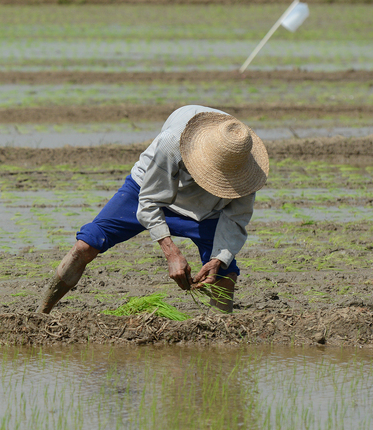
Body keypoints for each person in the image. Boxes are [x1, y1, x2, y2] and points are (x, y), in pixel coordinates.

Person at [38, 105, 269, 315]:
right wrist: (171, 253)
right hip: (151, 187)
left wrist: (219, 258)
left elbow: (236, 220)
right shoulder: (172, 143)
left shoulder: (246, 167)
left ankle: (221, 335)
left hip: (207, 209)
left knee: (223, 275)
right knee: (85, 246)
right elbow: (148, 201)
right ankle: (41, 314)